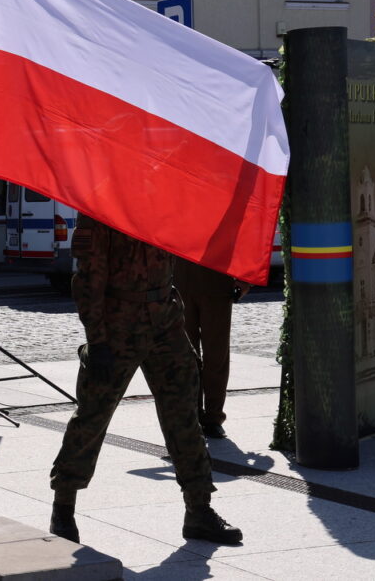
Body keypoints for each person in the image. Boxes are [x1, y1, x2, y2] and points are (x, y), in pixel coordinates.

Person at [48, 214, 242, 545]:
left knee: (184, 415)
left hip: (165, 321)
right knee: (93, 416)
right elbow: (87, 280)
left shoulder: (160, 202)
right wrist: (98, 342)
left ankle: (199, 509)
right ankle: (63, 507)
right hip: (117, 325)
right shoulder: (99, 207)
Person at [173, 258, 250, 439]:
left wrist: (245, 276)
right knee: (186, 354)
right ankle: (192, 414)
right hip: (181, 279)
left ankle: (213, 417)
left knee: (216, 353)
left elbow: (244, 233)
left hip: (216, 278)